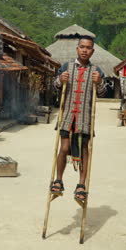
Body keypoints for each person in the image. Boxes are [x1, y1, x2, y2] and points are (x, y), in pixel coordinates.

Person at [49, 36, 106, 203]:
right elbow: (54, 86)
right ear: (77, 49)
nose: (84, 50)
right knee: (64, 147)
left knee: (85, 150)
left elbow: (102, 93)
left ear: (92, 51)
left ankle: (81, 184)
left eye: (88, 47)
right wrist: (60, 80)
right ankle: (58, 180)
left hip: (84, 117)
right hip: (67, 116)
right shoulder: (66, 67)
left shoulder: (97, 71)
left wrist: (100, 82)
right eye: (82, 47)